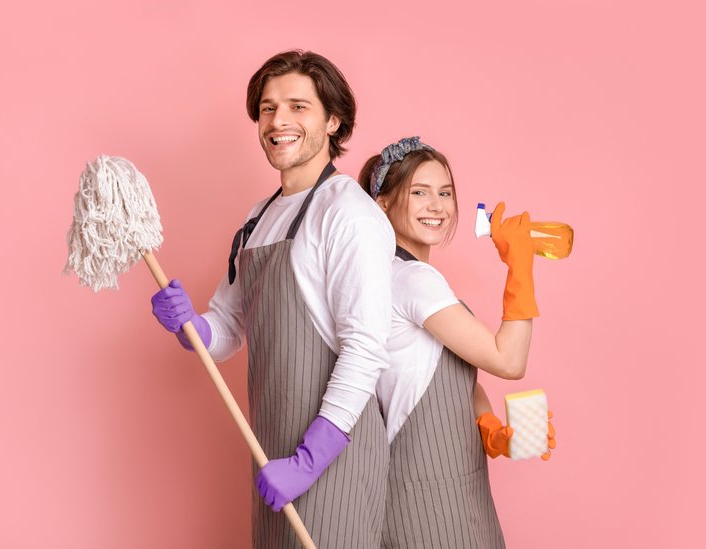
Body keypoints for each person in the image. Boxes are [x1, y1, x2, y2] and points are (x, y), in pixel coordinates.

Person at [150, 51, 393, 548]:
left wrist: (310, 460)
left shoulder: (350, 214)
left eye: (298, 107)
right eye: (267, 108)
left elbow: (365, 348)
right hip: (272, 450)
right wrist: (192, 325)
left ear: (333, 120)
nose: (278, 121)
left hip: (334, 456)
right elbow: (230, 326)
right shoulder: (258, 217)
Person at [358, 137, 555, 548]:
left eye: (445, 192)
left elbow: (452, 379)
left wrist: (489, 427)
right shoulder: (412, 280)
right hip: (424, 496)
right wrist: (520, 267)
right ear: (381, 203)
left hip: (457, 486)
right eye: (419, 192)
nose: (438, 206)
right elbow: (508, 360)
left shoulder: (402, 276)